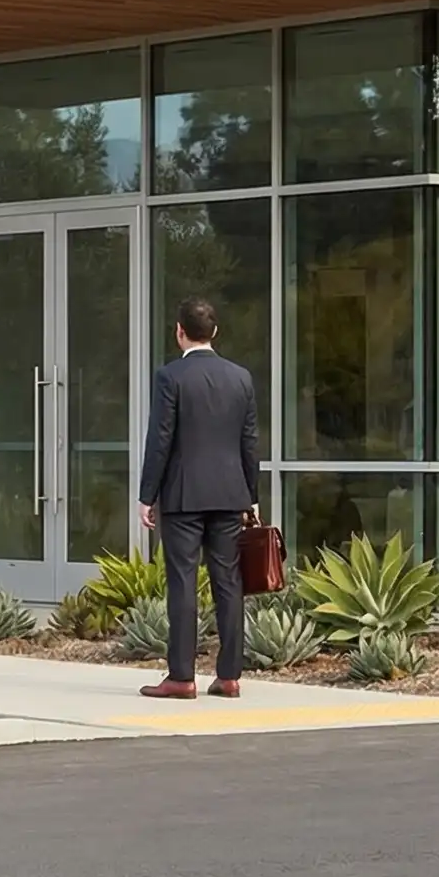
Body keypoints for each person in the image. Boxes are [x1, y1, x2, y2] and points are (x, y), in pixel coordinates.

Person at [136, 296, 263, 700]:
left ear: (179, 331)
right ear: (215, 332)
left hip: (183, 494)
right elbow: (249, 442)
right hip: (230, 494)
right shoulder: (241, 378)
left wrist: (146, 495)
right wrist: (252, 496)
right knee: (229, 582)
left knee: (183, 582)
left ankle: (181, 676)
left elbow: (160, 440)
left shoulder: (170, 377)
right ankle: (229, 677)